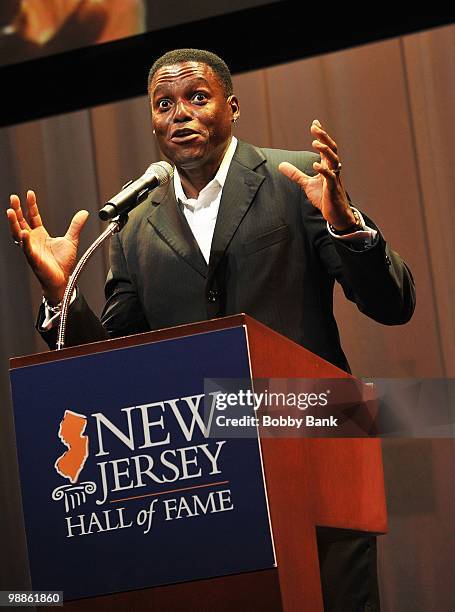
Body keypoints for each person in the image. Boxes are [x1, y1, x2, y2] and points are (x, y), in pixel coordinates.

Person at [6, 48, 415, 611]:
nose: (180, 114)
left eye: (197, 98)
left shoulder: (293, 179)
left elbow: (393, 303)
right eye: (164, 104)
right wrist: (61, 293)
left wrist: (348, 229)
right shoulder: (133, 226)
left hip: (313, 449)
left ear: (233, 107)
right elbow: (114, 365)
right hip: (202, 477)